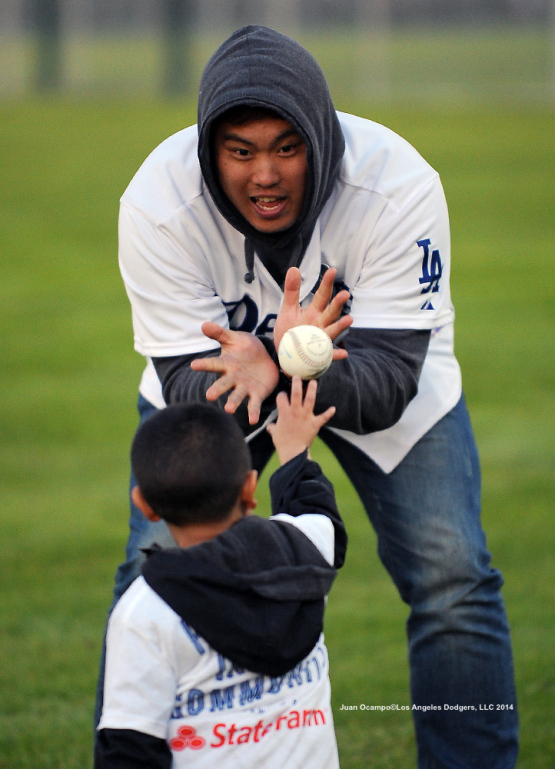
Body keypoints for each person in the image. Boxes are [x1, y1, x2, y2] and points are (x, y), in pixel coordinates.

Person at [102, 25, 518, 768]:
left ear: (320, 139)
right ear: (209, 150)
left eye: (286, 147)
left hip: (375, 378)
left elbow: (389, 382)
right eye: (240, 150)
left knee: (452, 574)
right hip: (225, 392)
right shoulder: (158, 202)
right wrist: (266, 363)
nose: (265, 173)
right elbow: (182, 385)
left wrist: (297, 366)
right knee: (151, 569)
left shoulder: (396, 186)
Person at [95, 378, 347, 769]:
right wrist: (296, 450)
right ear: (250, 487)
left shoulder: (144, 612)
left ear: (144, 505)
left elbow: (129, 750)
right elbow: (316, 509)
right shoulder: (306, 550)